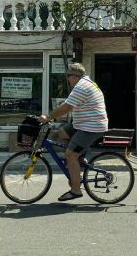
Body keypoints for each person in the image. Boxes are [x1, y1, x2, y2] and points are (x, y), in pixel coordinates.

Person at [39, 62, 108, 201]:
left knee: (70, 154)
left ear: (75, 77)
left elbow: (68, 107)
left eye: (69, 76)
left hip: (91, 127)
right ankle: (80, 158)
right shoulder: (86, 83)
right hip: (83, 123)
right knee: (62, 132)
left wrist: (49, 117)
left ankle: (76, 190)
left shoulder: (82, 86)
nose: (68, 79)